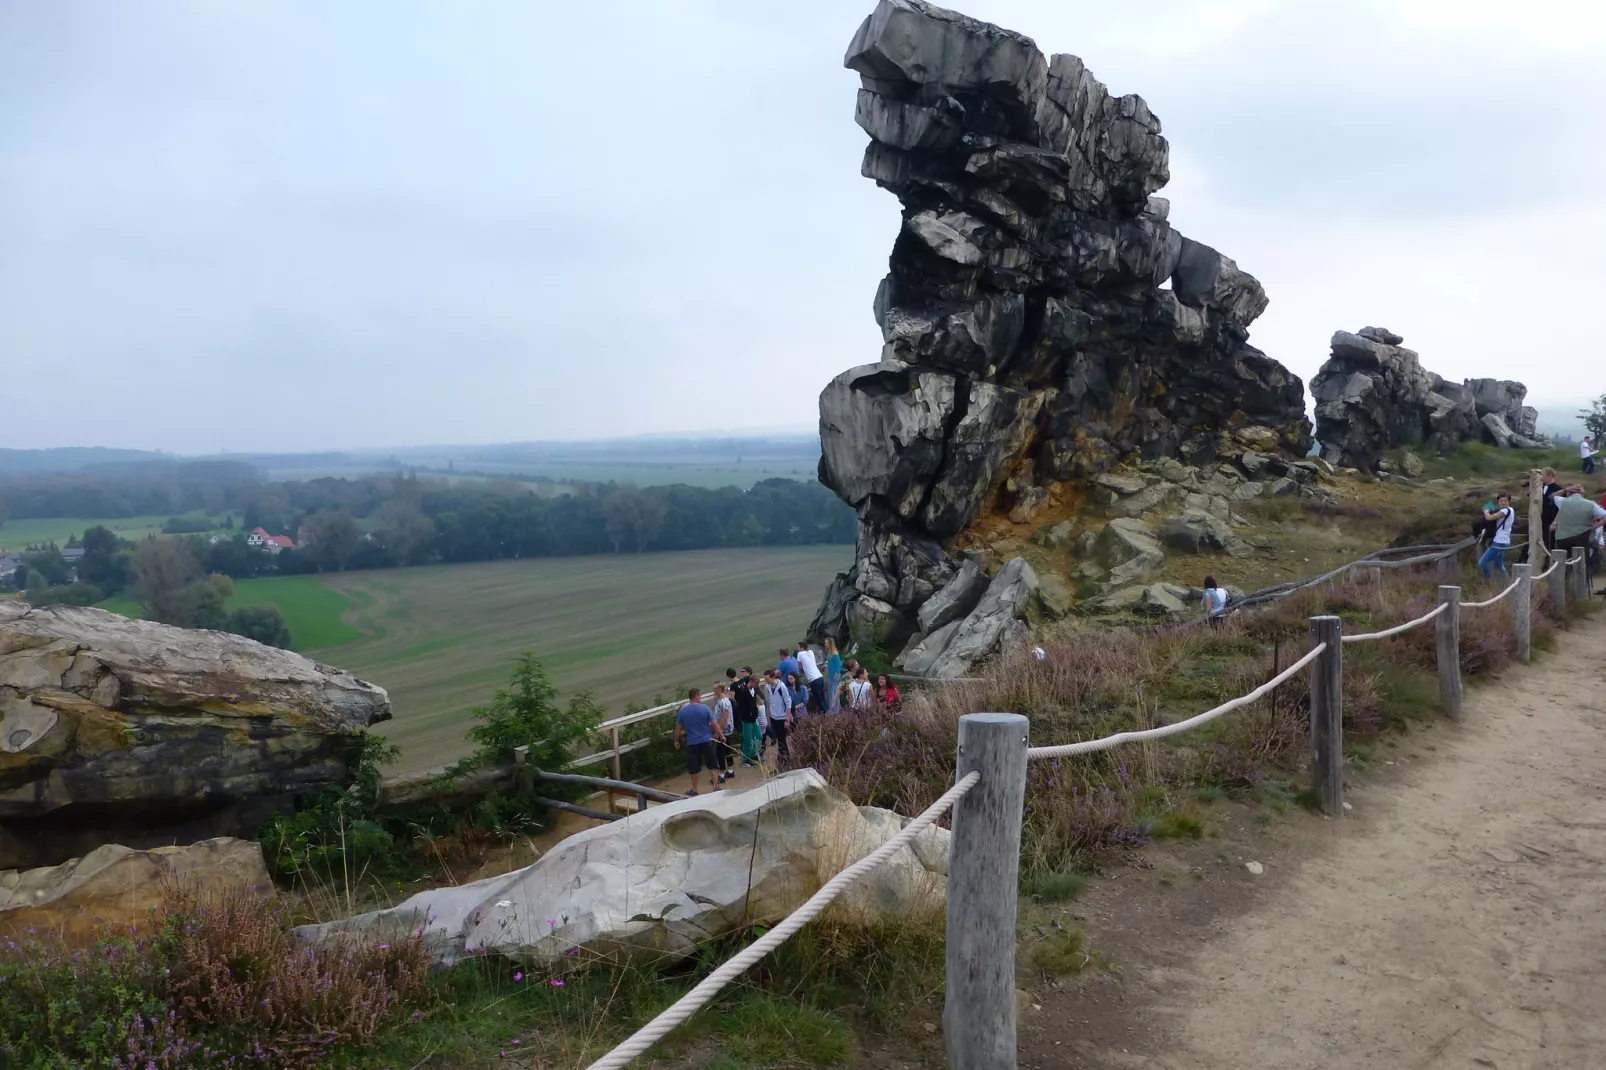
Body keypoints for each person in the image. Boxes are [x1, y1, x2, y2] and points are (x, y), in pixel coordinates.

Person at [673, 688, 725, 796]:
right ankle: (716, 786)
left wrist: (676, 740)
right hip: (707, 740)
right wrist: (721, 734)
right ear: (696, 695)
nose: (700, 697)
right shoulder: (705, 708)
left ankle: (694, 789)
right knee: (712, 764)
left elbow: (678, 728)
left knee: (694, 767)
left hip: (692, 742)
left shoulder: (683, 711)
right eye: (700, 695)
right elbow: (714, 723)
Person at [1550, 485, 1606, 578]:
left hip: (1562, 537)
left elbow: (1551, 496)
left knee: (1561, 562)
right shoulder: (1590, 504)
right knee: (1581, 562)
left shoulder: (1563, 501)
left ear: (1569, 493)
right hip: (1581, 536)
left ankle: (1562, 582)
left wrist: (1565, 489)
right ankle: (1582, 584)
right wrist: (1595, 526)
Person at [1478, 493, 1516, 579]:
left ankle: (1489, 580)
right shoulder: (1511, 510)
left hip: (1499, 542)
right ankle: (1507, 583)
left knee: (1482, 563)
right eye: (1501, 501)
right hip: (1504, 541)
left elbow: (1489, 518)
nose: (1503, 503)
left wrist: (1486, 511)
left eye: (1505, 501)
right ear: (1498, 502)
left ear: (1509, 501)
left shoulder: (1505, 511)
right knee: (1498, 566)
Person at [731, 665, 762, 767]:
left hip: (753, 718)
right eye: (756, 683)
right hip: (746, 719)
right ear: (752, 682)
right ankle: (745, 759)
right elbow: (741, 706)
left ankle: (753, 754)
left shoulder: (752, 691)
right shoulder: (744, 692)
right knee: (748, 739)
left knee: (758, 736)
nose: (757, 686)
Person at [712, 682, 737, 781]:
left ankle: (721, 774)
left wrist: (719, 732)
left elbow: (724, 719)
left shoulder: (723, 702)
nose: (713, 691)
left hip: (723, 730)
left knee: (720, 752)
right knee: (727, 751)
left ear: (720, 689)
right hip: (726, 729)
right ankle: (730, 771)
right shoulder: (724, 700)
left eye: (715, 689)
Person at [796, 642, 826, 713]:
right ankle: (827, 711)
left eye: (798, 647)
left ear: (802, 648)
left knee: (819, 700)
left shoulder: (800, 654)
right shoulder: (811, 652)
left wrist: (803, 670)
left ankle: (825, 714)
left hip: (814, 680)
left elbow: (799, 666)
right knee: (823, 698)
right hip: (820, 677)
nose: (797, 649)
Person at [1541, 467, 1562, 550]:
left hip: (1551, 520)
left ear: (1550, 476)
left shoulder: (1558, 489)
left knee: (1550, 543)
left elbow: (1561, 507)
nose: (1541, 478)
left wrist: (1555, 522)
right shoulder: (1540, 488)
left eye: (1543, 475)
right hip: (1540, 519)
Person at [823, 638, 843, 715]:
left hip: (833, 676)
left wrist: (836, 674)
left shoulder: (834, 653)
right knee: (834, 693)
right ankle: (836, 710)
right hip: (831, 675)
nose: (826, 645)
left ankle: (832, 711)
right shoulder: (830, 652)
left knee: (831, 693)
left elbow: (839, 664)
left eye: (827, 643)